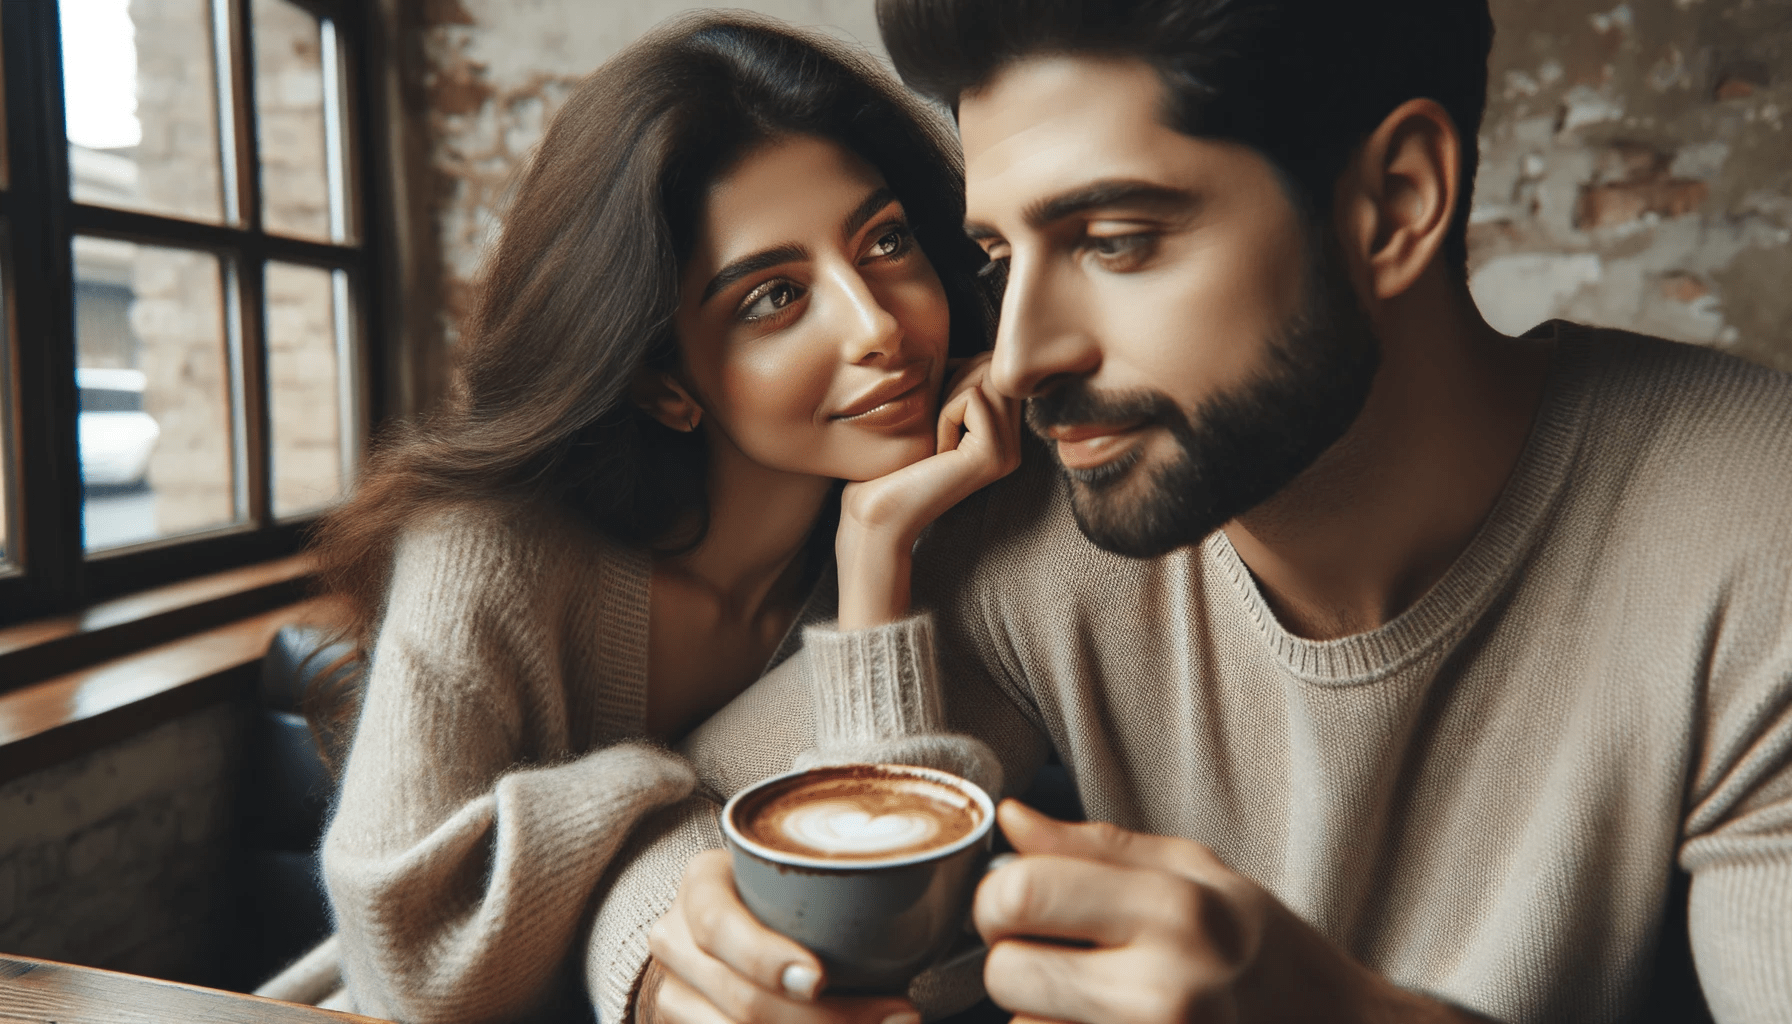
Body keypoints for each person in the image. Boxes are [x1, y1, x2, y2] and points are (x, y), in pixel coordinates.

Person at [627, 1, 1792, 1023]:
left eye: (1115, 242)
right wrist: (670, 967)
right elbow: (670, 824)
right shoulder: (1031, 515)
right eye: (996, 256)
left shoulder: (1752, 527)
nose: (1023, 357)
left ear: (1395, 202)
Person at [268, 14, 1023, 1024]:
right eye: (774, 296)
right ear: (664, 381)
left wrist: (877, 557)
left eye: (884, 241)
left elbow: (893, 937)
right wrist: (683, 802)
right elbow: (414, 960)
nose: (877, 325)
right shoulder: (487, 549)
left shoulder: (952, 528)